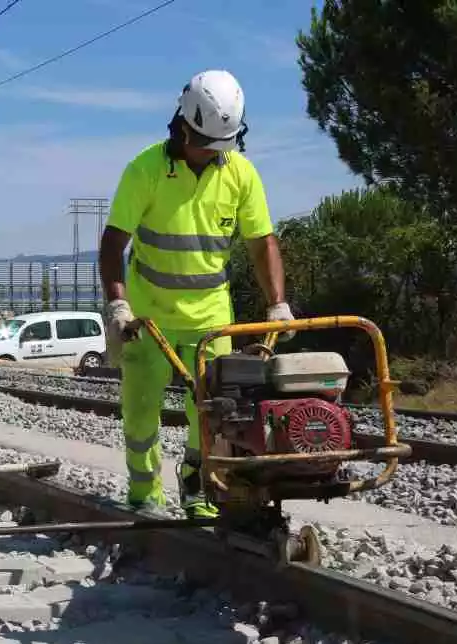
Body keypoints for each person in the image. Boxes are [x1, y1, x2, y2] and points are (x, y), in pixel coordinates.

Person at [98, 69, 293, 519]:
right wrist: (118, 305)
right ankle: (144, 494)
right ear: (181, 125)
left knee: (214, 414)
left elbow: (262, 243)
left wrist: (277, 303)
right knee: (141, 413)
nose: (209, 153)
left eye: (219, 146)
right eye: (203, 142)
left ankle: (198, 486)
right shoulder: (144, 170)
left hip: (211, 318)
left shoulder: (241, 175)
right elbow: (113, 243)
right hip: (148, 320)